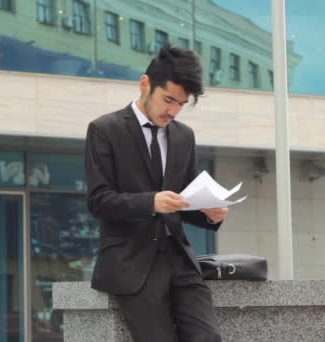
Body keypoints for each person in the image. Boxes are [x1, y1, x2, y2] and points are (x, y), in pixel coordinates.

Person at [84, 45, 228, 342]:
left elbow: (184, 201)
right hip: (132, 264)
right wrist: (150, 201)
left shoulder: (183, 136)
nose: (173, 111)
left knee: (208, 338)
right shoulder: (104, 130)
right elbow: (99, 200)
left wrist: (209, 213)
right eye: (168, 100)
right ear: (145, 84)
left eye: (181, 104)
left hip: (181, 262)